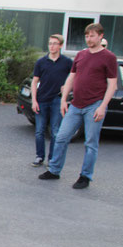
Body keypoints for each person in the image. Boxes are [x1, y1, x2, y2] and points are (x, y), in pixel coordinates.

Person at [39, 23, 117, 189]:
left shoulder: (109, 57)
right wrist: (63, 99)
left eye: (92, 36)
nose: (89, 39)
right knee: (60, 137)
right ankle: (54, 170)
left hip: (94, 105)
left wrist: (103, 106)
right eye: (87, 36)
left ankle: (85, 176)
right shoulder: (81, 55)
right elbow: (71, 78)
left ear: (100, 36)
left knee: (90, 143)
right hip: (75, 105)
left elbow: (112, 85)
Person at [30, 34, 73, 167]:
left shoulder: (67, 62)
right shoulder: (41, 62)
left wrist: (66, 90)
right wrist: (34, 100)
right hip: (42, 99)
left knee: (55, 131)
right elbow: (34, 81)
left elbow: (73, 78)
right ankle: (39, 156)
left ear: (60, 45)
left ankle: (52, 159)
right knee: (39, 130)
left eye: (55, 43)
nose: (52, 46)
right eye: (50, 43)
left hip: (57, 100)